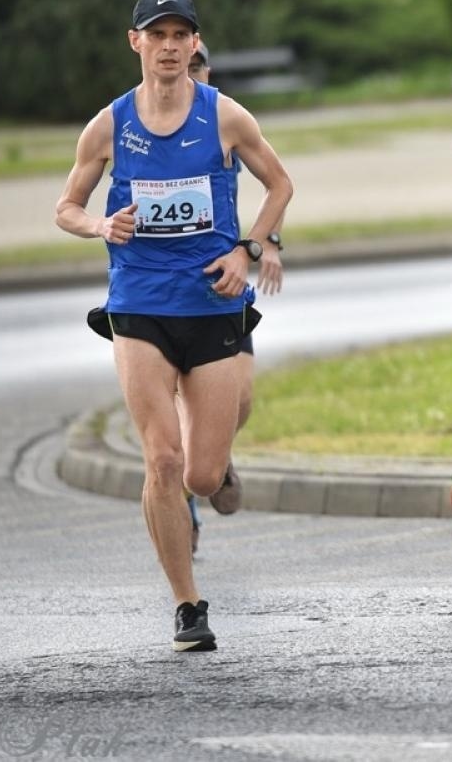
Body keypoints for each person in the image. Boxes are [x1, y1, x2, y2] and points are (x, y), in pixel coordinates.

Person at [55, 0, 293, 652]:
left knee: (201, 475)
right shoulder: (109, 125)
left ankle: (212, 474)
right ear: (135, 42)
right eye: (155, 33)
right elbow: (66, 206)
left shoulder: (225, 117)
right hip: (138, 306)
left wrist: (248, 250)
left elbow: (280, 185)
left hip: (212, 307)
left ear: (195, 44)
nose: (168, 45)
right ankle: (188, 605)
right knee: (161, 458)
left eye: (179, 34)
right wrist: (100, 222)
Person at [178, 46, 269, 554]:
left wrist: (261, 246)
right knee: (181, 412)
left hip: (224, 286)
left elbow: (274, 184)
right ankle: (184, 494)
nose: (188, 73)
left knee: (243, 398)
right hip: (166, 297)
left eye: (198, 65)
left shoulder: (226, 119)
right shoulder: (142, 124)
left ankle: (217, 451)